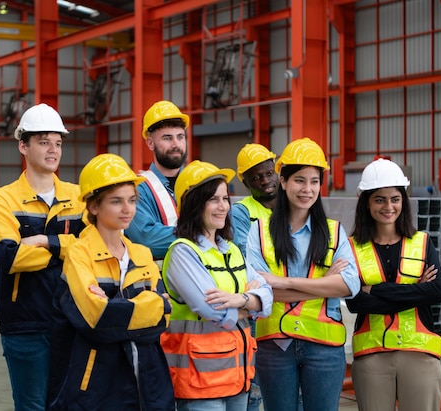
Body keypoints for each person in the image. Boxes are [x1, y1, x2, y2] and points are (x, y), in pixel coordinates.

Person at [49, 153, 174, 410]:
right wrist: (146, 305)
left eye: (131, 200)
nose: (127, 209)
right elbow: (96, 319)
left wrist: (116, 308)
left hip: (146, 382)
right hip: (96, 387)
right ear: (94, 206)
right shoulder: (78, 253)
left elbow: (164, 316)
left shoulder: (141, 254)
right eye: (116, 201)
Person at [246, 137, 360, 411]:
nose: (307, 189)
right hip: (275, 347)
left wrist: (283, 283)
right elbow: (257, 289)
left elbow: (349, 285)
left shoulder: (334, 231)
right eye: (299, 180)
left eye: (314, 181)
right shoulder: (259, 231)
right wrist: (323, 284)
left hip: (324, 347)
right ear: (283, 181)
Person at [0, 103, 86, 411]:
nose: (53, 150)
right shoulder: (3, 198)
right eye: (44, 142)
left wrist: (46, 241)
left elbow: (93, 251)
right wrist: (67, 249)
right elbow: (9, 257)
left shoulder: (79, 196)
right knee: (31, 406)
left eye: (57, 143)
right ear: (23, 146)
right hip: (25, 325)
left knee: (68, 405)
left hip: (72, 321)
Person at [161, 160, 273, 411]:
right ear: (193, 204)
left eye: (225, 199)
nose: (223, 206)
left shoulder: (232, 250)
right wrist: (250, 301)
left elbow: (267, 298)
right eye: (213, 199)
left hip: (237, 376)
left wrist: (241, 300)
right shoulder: (183, 252)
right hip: (200, 382)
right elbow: (212, 311)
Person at [346, 158, 441, 411]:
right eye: (380, 199)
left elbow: (435, 292)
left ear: (403, 200)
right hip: (372, 356)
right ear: (366, 202)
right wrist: (415, 290)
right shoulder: (351, 247)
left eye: (395, 199)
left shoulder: (422, 242)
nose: (388, 206)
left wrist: (376, 290)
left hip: (420, 353)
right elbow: (356, 301)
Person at [231, 143, 279, 411]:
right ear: (245, 182)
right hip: (255, 315)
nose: (265, 181)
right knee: (254, 389)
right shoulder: (241, 212)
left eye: (268, 173)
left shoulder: (295, 205)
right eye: (256, 177)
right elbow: (246, 259)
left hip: (290, 312)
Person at [125, 100, 189, 260]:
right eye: (167, 138)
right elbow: (147, 240)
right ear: (150, 143)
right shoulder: (137, 189)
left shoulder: (198, 183)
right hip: (155, 282)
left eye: (180, 137)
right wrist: (201, 234)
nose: (176, 144)